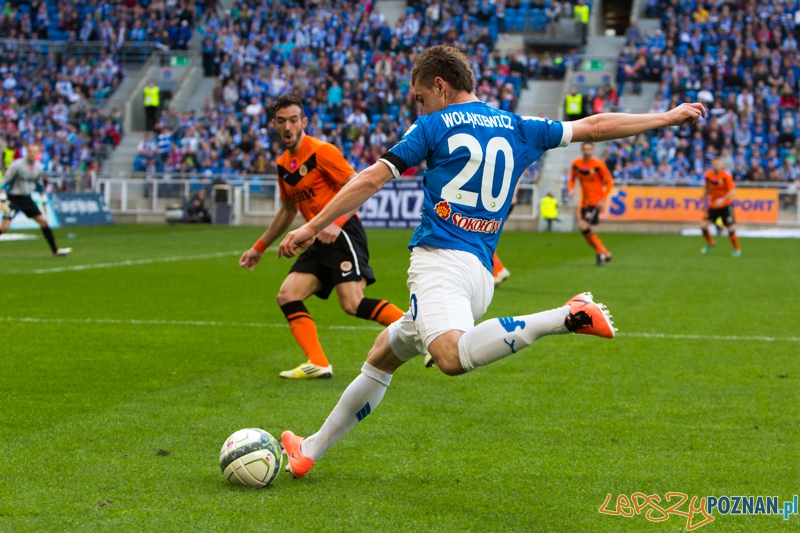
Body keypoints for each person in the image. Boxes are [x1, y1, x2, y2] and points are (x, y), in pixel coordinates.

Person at [274, 45, 705, 479]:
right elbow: (593, 127)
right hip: (480, 275)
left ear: (440, 86)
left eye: (420, 96)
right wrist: (665, 117)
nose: (418, 105)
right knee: (383, 353)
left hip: (439, 264)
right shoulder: (519, 126)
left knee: (450, 357)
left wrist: (310, 228)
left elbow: (369, 178)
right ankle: (308, 450)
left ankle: (567, 315)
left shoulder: (433, 125)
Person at [238, 94, 405, 379]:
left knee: (351, 303)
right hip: (314, 236)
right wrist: (258, 247)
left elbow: (356, 185)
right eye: (281, 121)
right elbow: (288, 210)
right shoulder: (282, 164)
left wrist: (336, 221)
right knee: (288, 294)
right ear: (274, 125)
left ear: (303, 122)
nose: (287, 126)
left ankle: (420, 330)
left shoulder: (321, 151)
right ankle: (318, 362)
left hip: (342, 231)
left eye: (293, 120)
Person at [0, 144, 71, 257]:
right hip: (13, 198)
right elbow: (5, 179)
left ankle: (55, 251)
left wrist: (42, 195)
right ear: (27, 152)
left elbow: (38, 185)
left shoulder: (39, 167)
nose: (32, 153)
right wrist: (2, 193)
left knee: (43, 222)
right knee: (4, 227)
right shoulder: (17, 164)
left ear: (38, 154)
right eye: (30, 151)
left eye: (34, 151)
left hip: (27, 199)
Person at [569, 142, 614, 265]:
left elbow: (609, 182)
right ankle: (604, 253)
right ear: (581, 150)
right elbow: (572, 179)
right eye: (585, 149)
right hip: (584, 202)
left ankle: (601, 252)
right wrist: (571, 189)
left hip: (596, 201)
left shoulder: (599, 165)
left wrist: (603, 199)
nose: (587, 151)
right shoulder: (576, 164)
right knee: (585, 229)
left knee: (583, 226)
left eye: (589, 149)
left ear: (593, 150)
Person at [700, 158, 741, 257]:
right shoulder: (708, 176)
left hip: (726, 205)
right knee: (703, 226)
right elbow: (707, 189)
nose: (716, 165)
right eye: (715, 164)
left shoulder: (726, 176)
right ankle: (711, 242)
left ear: (722, 165)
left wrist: (722, 199)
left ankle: (736, 249)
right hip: (713, 205)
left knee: (730, 228)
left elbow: (732, 191)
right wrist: (703, 201)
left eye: (718, 164)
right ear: (712, 165)